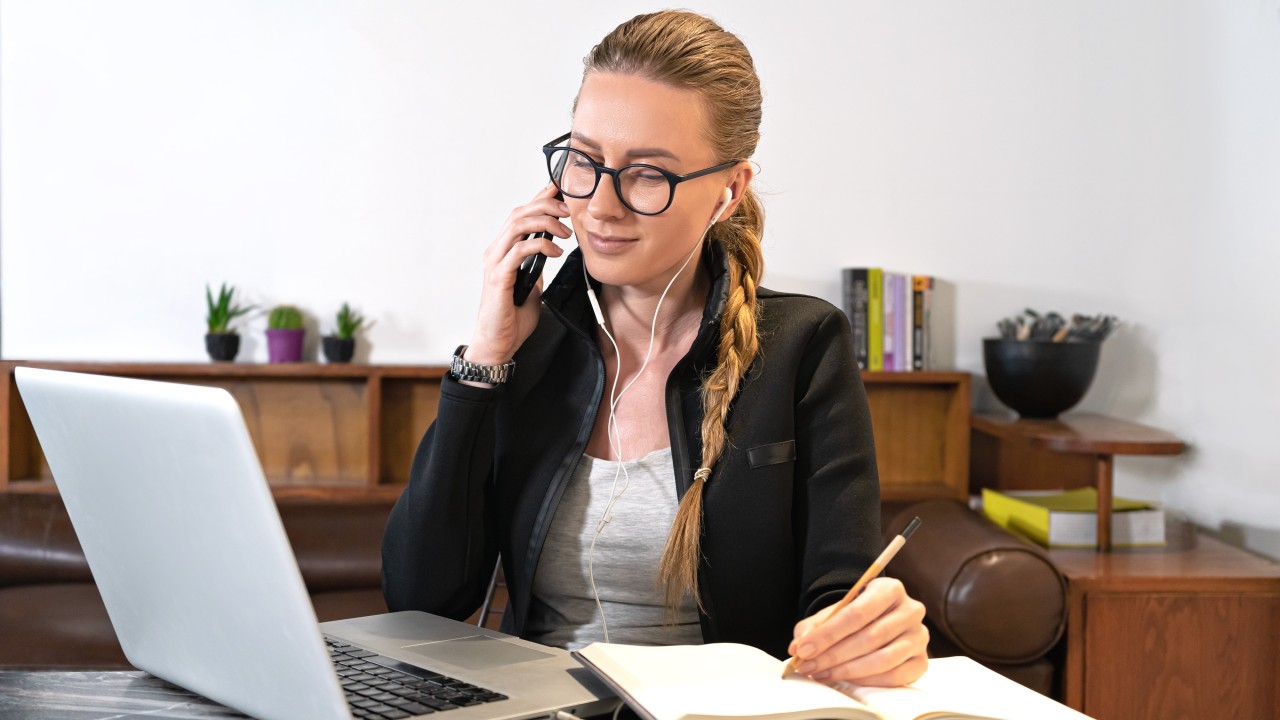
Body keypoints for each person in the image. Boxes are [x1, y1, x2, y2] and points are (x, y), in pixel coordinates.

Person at [383, 9, 929, 687]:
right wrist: (485, 360)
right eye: (585, 162)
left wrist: (871, 632)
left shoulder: (803, 346)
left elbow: (838, 597)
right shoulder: (527, 346)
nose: (602, 206)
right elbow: (420, 599)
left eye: (647, 174)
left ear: (729, 190)